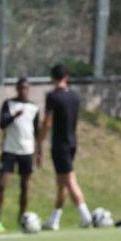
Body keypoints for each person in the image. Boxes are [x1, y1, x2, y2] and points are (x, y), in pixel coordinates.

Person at [36, 65, 93, 230]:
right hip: (72, 142)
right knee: (61, 182)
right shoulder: (75, 96)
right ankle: (54, 220)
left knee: (69, 181)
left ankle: (86, 216)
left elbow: (47, 122)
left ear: (52, 78)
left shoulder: (53, 96)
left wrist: (39, 141)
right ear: (66, 77)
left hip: (60, 144)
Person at [0, 77, 40, 233]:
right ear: (17, 89)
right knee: (2, 185)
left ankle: (21, 221)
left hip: (27, 151)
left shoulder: (33, 108)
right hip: (9, 151)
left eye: (26, 88)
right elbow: (2, 124)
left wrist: (39, 152)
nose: (23, 91)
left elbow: (37, 132)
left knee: (24, 187)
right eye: (21, 88)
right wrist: (14, 116)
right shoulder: (9, 104)